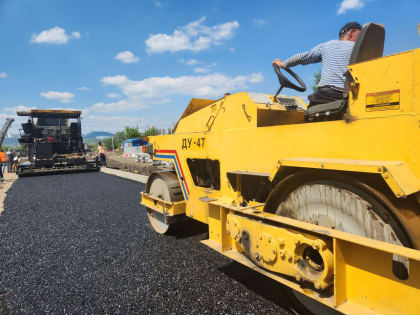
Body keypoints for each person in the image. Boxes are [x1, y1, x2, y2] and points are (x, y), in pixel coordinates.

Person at [272, 22, 362, 107]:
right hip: (351, 96)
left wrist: (283, 64)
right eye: (360, 34)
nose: (362, 37)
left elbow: (302, 57)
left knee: (308, 114)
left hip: (326, 95)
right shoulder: (360, 49)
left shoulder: (327, 46)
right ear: (351, 32)